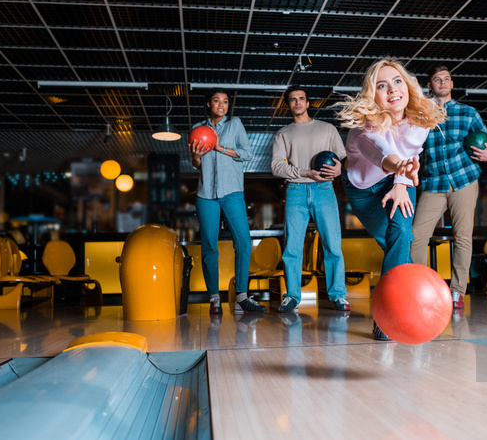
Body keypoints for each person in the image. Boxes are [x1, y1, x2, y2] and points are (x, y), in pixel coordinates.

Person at [338, 58, 446, 340]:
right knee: (393, 242)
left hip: (401, 178)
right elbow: (382, 152)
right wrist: (399, 170)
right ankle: (417, 299)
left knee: (401, 234)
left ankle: (386, 317)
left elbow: (410, 153)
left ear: (408, 86)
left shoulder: (422, 118)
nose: (393, 90)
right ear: (372, 95)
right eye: (382, 86)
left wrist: (400, 180)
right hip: (361, 189)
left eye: (398, 82)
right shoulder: (365, 128)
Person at [410, 64, 487, 310]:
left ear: (452, 84)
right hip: (433, 183)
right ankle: (419, 287)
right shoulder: (421, 116)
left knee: (463, 236)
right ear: (430, 86)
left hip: (464, 181)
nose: (443, 82)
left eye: (447, 79)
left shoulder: (468, 113)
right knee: (416, 237)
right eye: (437, 79)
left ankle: (457, 292)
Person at [271, 85, 350, 313]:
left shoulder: (327, 129)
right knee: (292, 248)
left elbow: (344, 159)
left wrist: (339, 171)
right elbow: (276, 167)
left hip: (324, 190)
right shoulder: (283, 134)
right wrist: (305, 172)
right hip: (296, 190)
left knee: (332, 245)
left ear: (308, 103)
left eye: (301, 99)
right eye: (293, 99)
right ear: (288, 105)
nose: (297, 102)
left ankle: (338, 295)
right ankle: (292, 297)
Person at [189, 88, 266, 315]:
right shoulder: (197, 130)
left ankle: (241, 296)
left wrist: (219, 147)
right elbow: (197, 165)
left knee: (243, 241)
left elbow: (248, 154)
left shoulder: (235, 124)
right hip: (205, 195)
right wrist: (195, 157)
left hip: (232, 191)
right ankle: (214, 298)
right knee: (209, 246)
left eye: (225, 101)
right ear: (208, 104)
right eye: (216, 101)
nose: (221, 105)